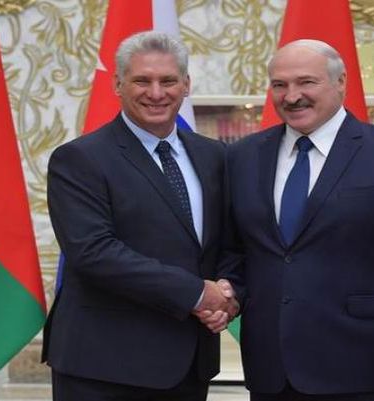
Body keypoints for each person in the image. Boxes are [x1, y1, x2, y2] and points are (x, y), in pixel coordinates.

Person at [217, 39, 374, 401]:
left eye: (306, 82)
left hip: (365, 366)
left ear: (340, 82)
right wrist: (228, 291)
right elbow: (236, 248)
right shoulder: (243, 157)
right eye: (279, 85)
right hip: (272, 369)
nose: (291, 95)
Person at [42, 31, 237, 401]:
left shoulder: (215, 156)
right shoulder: (80, 159)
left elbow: (231, 241)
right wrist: (198, 294)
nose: (156, 92)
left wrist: (231, 294)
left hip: (189, 363)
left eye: (168, 81)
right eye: (141, 80)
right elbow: (94, 252)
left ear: (186, 85)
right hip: (105, 368)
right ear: (117, 84)